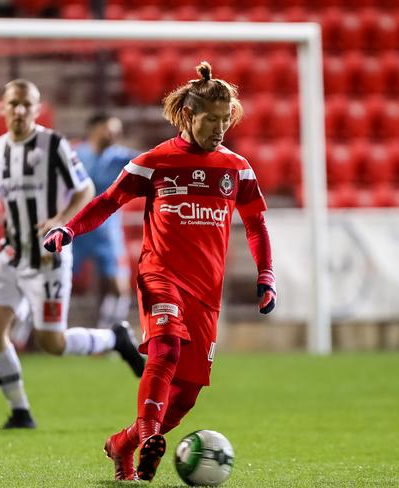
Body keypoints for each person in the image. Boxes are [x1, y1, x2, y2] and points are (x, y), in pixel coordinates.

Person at [43, 61, 276, 481]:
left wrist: (266, 276)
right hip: (160, 274)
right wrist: (69, 229)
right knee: (165, 349)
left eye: (227, 120)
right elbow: (108, 201)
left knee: (184, 400)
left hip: (206, 293)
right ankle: (149, 434)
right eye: (211, 119)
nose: (220, 128)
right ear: (188, 115)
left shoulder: (237, 168)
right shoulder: (154, 162)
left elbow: (257, 223)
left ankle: (123, 443)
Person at [0, 79, 145, 430]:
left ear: (36, 108)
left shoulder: (54, 145)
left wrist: (60, 220)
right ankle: (20, 411)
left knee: (52, 342)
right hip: (11, 254)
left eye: (26, 104)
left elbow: (85, 189)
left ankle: (115, 339)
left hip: (49, 255)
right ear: (2, 107)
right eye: (13, 103)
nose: (19, 110)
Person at [72, 113, 140, 329]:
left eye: (118, 132)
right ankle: (28, 335)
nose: (115, 135)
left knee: (119, 287)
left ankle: (109, 334)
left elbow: (145, 159)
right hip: (76, 230)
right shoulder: (75, 155)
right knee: (52, 281)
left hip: (107, 231)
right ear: (95, 128)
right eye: (111, 129)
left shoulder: (118, 156)